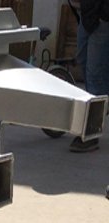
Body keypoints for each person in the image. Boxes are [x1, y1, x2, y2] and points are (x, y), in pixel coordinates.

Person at [68, 0, 109, 152]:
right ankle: (102, 103)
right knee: (83, 60)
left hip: (101, 18)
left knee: (94, 74)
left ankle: (91, 132)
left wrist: (104, 14)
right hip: (86, 15)